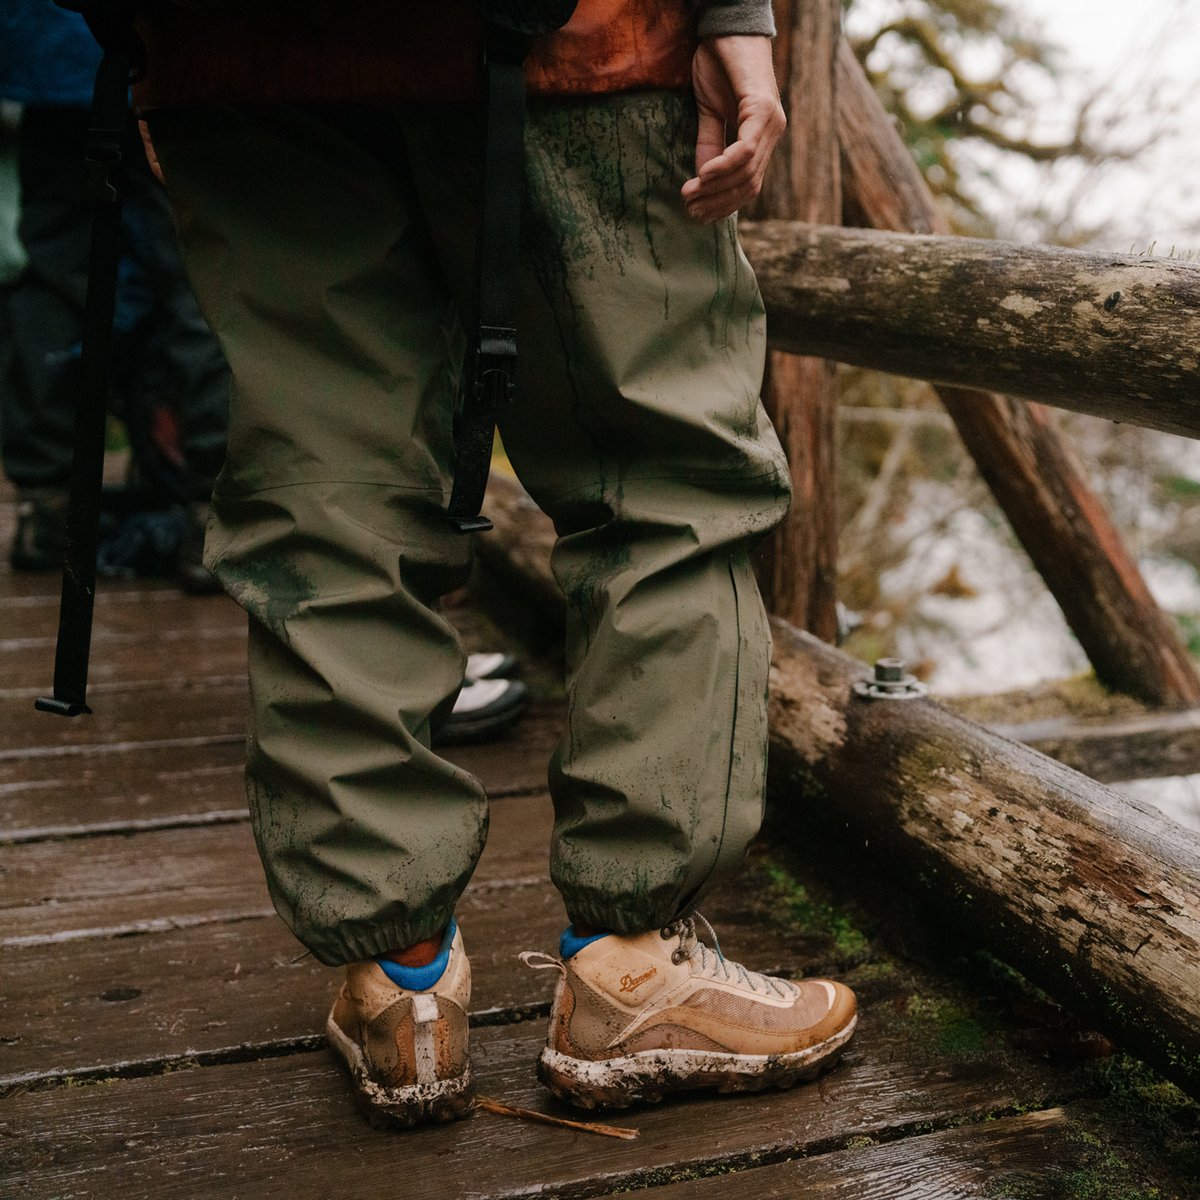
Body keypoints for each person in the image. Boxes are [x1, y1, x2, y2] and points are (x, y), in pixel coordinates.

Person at [125, 0, 858, 1126]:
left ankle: (400, 989)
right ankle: (633, 971)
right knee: (661, 469)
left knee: (325, 484)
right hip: (574, 30)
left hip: (238, 38)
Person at [0, 0, 228, 590]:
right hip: (173, 48)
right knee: (193, 269)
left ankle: (48, 503)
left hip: (49, 42)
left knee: (56, 270)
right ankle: (209, 507)